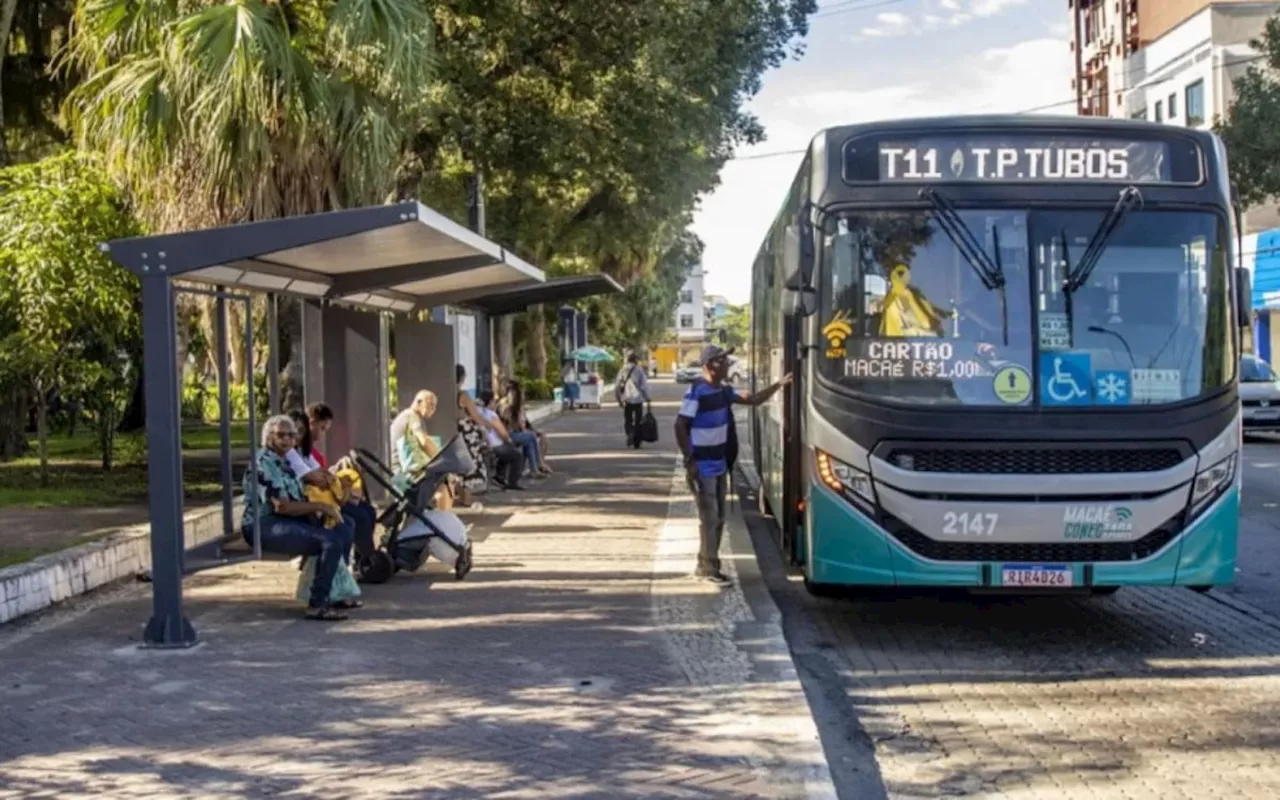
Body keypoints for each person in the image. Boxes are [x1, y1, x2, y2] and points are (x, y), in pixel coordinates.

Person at [674, 345, 791, 587]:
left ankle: (705, 564)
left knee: (718, 519)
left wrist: (780, 384)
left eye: (727, 360)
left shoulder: (724, 391)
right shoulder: (697, 391)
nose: (727, 364)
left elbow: (754, 399)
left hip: (720, 464)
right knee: (710, 518)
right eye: (721, 361)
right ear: (708, 366)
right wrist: (690, 460)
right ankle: (708, 568)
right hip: (703, 466)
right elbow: (680, 425)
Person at [242, 414, 355, 620]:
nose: (287, 440)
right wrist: (319, 506)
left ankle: (336, 590)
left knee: (343, 527)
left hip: (287, 519)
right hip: (264, 524)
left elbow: (299, 495)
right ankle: (317, 603)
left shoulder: (285, 461)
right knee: (328, 542)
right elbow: (281, 506)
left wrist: (324, 508)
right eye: (280, 435)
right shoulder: (263, 463)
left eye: (291, 436)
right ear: (268, 438)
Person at [286, 409, 376, 567]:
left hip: (324, 497)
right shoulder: (291, 453)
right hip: (310, 502)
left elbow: (321, 473)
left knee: (366, 511)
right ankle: (364, 561)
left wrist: (328, 477)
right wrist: (328, 477)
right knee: (353, 519)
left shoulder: (304, 451)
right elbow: (314, 477)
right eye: (292, 432)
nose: (295, 437)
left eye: (300, 432)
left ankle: (361, 559)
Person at [457, 364, 494, 494]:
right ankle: (468, 497)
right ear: (462, 378)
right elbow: (476, 416)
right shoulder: (464, 395)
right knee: (472, 463)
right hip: (467, 432)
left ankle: (462, 494)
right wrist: (489, 425)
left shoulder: (448, 393)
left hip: (456, 431)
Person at [501, 380, 552, 475]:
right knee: (531, 436)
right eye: (510, 394)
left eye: (514, 394)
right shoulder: (505, 407)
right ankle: (539, 464)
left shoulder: (518, 408)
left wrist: (527, 428)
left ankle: (534, 469)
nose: (512, 396)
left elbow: (525, 424)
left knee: (531, 441)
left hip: (518, 433)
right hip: (509, 435)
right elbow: (509, 426)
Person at [478, 390, 526, 489]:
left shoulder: (478, 412)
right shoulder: (491, 414)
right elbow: (502, 432)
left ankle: (500, 476)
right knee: (516, 455)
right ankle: (513, 482)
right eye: (494, 401)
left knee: (508, 452)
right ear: (490, 402)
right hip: (495, 445)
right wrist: (509, 440)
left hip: (486, 443)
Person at [390, 390, 441, 473]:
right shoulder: (412, 416)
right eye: (431, 404)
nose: (433, 409)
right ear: (419, 402)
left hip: (397, 469)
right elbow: (424, 442)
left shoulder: (405, 415)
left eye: (435, 406)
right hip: (402, 471)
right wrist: (440, 458)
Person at [616, 352, 651, 449]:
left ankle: (630, 433)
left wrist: (619, 400)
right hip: (638, 399)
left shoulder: (622, 370)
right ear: (636, 360)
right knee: (638, 420)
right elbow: (643, 386)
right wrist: (647, 397)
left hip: (626, 399)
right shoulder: (639, 371)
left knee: (628, 419)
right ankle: (637, 441)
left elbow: (617, 386)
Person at [306, 402, 335, 470]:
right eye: (322, 428)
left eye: (325, 430)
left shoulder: (319, 457)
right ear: (311, 422)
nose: (323, 434)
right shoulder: (290, 449)